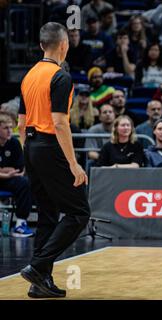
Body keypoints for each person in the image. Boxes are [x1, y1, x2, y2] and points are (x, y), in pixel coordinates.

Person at [18, 22, 90, 298]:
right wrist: (73, 163)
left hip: (32, 147)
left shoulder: (29, 76)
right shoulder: (60, 76)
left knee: (47, 214)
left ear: (40, 46)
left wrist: (29, 153)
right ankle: (38, 266)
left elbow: (22, 122)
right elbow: (60, 123)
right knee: (79, 212)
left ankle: (40, 283)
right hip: (50, 145)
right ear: (64, 45)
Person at [0, 112, 34, 237]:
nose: (10, 131)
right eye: (5, 128)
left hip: (11, 180)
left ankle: (20, 224)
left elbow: (19, 169)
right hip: (6, 178)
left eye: (11, 127)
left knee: (25, 182)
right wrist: (5, 173)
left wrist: (2, 170)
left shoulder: (14, 143)